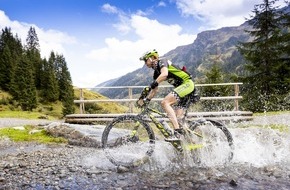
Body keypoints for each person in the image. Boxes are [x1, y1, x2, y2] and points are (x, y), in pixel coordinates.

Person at [139, 49, 195, 141]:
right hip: (184, 90)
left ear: (153, 57)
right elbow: (154, 91)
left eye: (146, 60)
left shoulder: (162, 62)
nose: (145, 63)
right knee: (178, 120)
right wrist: (147, 100)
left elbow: (164, 74)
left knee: (165, 102)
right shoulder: (156, 72)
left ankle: (177, 132)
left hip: (187, 84)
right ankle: (189, 143)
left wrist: (155, 83)